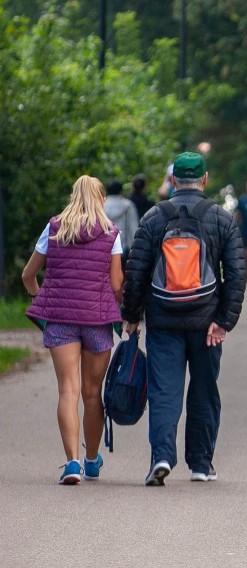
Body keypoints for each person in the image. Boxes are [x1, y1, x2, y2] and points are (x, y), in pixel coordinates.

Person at [122, 152, 246, 486]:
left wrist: (132, 314)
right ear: (205, 180)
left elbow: (136, 271)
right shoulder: (221, 219)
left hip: (163, 321)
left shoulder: (153, 218)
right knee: (204, 390)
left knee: (164, 391)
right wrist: (224, 321)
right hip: (207, 324)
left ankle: (161, 456)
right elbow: (235, 275)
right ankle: (201, 464)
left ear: (173, 180)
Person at [22, 175, 124, 484]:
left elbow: (28, 275)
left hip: (61, 319)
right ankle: (92, 460)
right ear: (101, 199)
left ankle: (72, 464)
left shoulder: (54, 228)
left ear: (72, 196)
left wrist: (42, 297)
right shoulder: (111, 233)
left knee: (68, 390)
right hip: (96, 320)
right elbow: (117, 285)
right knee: (92, 394)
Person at [104, 179, 139, 269]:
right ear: (121, 190)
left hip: (105, 247)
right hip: (123, 248)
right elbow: (133, 227)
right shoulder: (127, 205)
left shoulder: (101, 205)